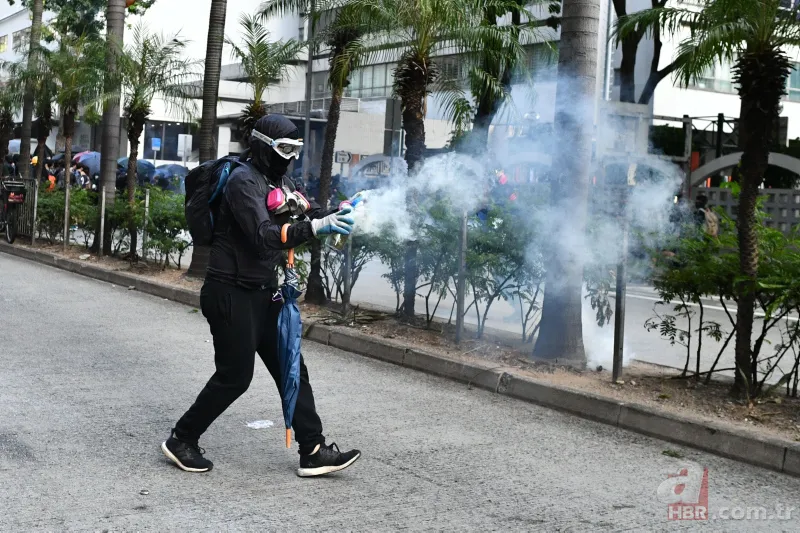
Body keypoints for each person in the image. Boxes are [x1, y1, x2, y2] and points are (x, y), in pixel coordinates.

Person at [162, 114, 362, 477]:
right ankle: (181, 439)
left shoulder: (279, 179)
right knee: (235, 377)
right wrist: (316, 227)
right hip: (230, 292)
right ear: (262, 145)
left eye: (295, 150)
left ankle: (313, 449)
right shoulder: (242, 182)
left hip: (265, 292)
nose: (290, 157)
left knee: (291, 368)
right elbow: (264, 235)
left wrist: (338, 211)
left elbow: (305, 209)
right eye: (284, 149)